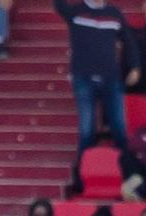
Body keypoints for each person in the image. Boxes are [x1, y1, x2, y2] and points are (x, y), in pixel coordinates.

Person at [56, 0, 132, 156]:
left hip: (111, 78)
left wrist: (135, 66)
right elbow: (59, 4)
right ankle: (82, 173)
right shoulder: (76, 12)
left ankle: (127, 170)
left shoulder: (114, 13)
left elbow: (128, 41)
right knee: (86, 130)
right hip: (83, 77)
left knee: (119, 128)